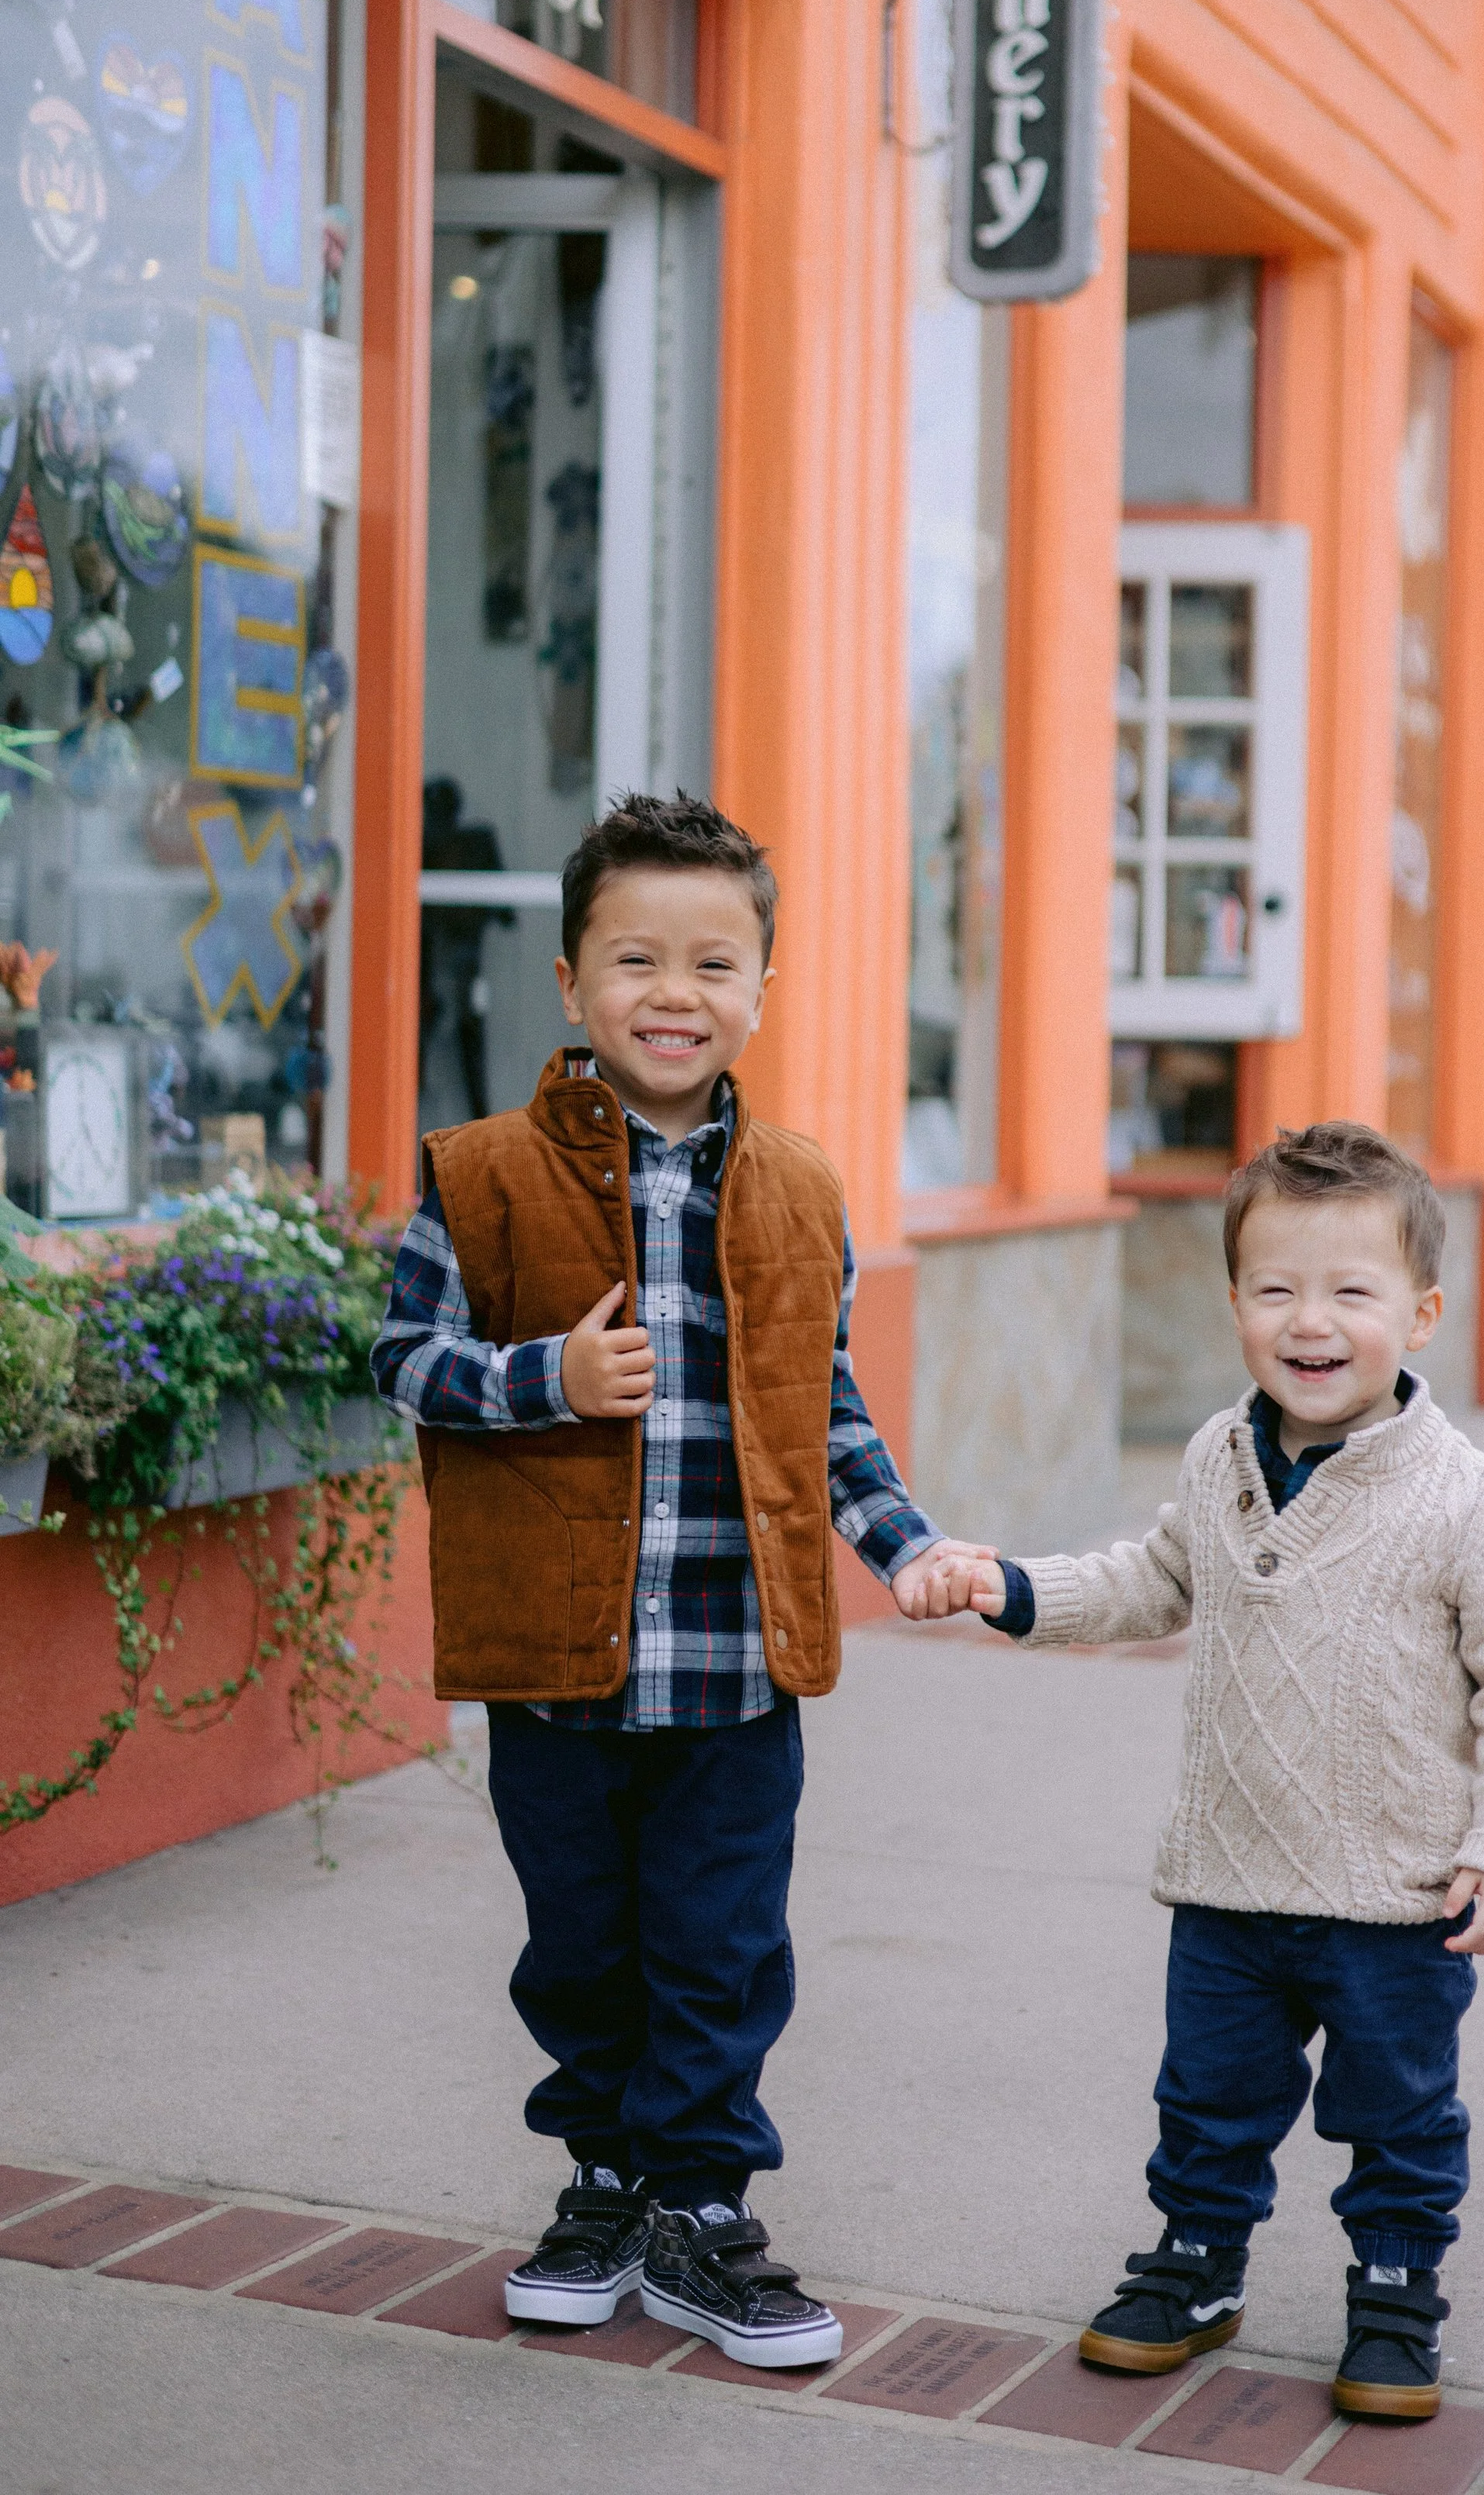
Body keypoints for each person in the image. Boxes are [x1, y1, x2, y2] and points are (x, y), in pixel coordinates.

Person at [371, 791, 988, 2368]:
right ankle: (598, 2184)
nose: (673, 991)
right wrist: (544, 1380)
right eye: (634, 957)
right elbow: (400, 1360)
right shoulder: (480, 1172)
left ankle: (700, 2208)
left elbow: (824, 1407)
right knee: (580, 1944)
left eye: (713, 963)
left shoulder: (795, 1188)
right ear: (571, 979)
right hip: (557, 1670)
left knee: (718, 1946)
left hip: (734, 1663)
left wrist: (905, 1546)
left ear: (760, 992)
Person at [919, 1121, 1484, 2421]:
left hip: (1397, 1896)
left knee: (1399, 2113)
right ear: (1234, 1305)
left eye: (1350, 1291)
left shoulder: (1467, 1497)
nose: (1308, 1320)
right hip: (1228, 1878)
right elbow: (1152, 1578)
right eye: (1275, 1288)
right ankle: (1196, 2264)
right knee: (1208, 2100)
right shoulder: (1221, 1458)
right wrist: (1016, 1586)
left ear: (1422, 1312)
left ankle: (1394, 2289)